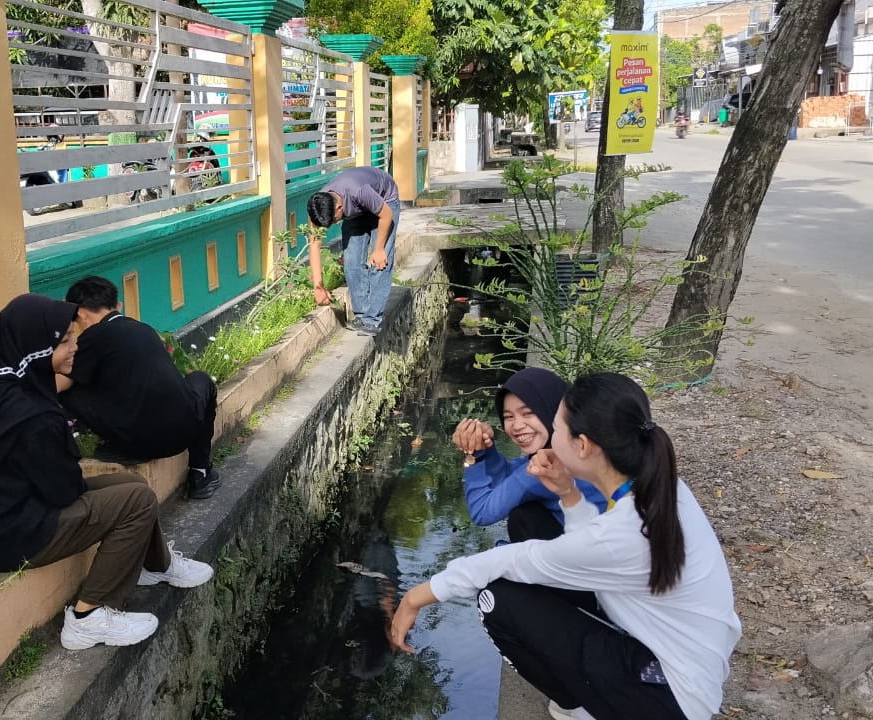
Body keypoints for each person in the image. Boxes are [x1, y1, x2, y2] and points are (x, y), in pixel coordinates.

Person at [390, 372, 741, 720]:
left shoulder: (620, 534)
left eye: (556, 430)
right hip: (686, 663)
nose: (541, 434)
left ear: (583, 445)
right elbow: (593, 546)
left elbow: (515, 558)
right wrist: (567, 493)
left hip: (672, 699)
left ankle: (580, 711)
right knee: (526, 524)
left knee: (496, 598)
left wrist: (415, 596)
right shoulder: (659, 487)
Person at [0, 294, 214, 651]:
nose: (76, 346)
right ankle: (88, 616)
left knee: (129, 482)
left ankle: (156, 564)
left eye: (73, 336)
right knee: (135, 499)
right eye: (64, 342)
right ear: (35, 349)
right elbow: (62, 491)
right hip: (16, 532)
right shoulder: (29, 416)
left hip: (11, 505)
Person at [57, 276, 221, 500]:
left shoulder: (95, 335)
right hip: (184, 433)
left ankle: (107, 445)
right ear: (118, 306)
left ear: (83, 313)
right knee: (202, 380)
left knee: (68, 389)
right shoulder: (144, 330)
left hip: (138, 443)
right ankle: (200, 473)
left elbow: (58, 384)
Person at [453, 368, 608, 542]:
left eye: (528, 413)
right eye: (509, 416)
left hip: (587, 552)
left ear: (554, 410)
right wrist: (485, 446)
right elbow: (511, 478)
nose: (517, 425)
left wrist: (473, 456)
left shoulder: (547, 467)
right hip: (599, 541)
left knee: (522, 517)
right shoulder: (584, 447)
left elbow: (482, 513)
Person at [306, 166, 401, 337]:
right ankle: (362, 315)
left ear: (339, 208)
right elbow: (314, 244)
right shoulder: (317, 207)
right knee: (351, 261)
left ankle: (372, 320)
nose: (334, 224)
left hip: (385, 201)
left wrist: (378, 249)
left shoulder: (359, 191)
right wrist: (318, 286)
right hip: (356, 212)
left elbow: (386, 215)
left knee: (380, 262)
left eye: (334, 220)